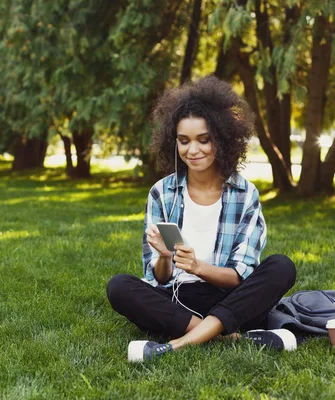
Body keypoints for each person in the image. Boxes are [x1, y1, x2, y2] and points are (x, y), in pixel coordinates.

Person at [106, 75, 297, 362]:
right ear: (173, 142)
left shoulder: (245, 194)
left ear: (221, 139)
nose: (192, 150)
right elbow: (158, 279)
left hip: (228, 298)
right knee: (119, 286)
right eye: (184, 141)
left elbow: (238, 277)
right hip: (178, 299)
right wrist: (164, 258)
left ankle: (178, 344)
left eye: (203, 140)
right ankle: (226, 336)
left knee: (281, 266)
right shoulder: (162, 192)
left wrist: (197, 267)